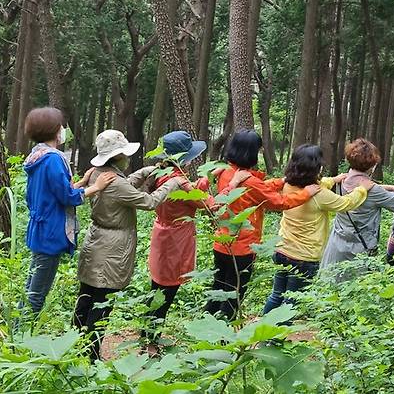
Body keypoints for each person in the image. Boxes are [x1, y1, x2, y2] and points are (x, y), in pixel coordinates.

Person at [73, 130, 188, 360]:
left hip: (95, 240)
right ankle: (91, 356)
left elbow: (124, 184)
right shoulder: (115, 183)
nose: (128, 158)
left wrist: (146, 171)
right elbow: (148, 201)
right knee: (102, 302)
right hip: (111, 249)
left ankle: (76, 344)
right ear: (117, 157)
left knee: (86, 295)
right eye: (124, 154)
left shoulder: (98, 173)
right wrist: (173, 183)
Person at [143, 131, 249, 350]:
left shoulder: (160, 173)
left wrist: (201, 183)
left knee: (157, 287)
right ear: (185, 157)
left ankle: (147, 334)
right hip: (176, 240)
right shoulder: (181, 182)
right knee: (167, 291)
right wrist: (231, 183)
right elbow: (213, 206)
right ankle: (151, 343)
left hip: (162, 233)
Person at [204, 130, 320, 320]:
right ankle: (225, 336)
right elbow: (278, 202)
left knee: (218, 288)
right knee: (234, 294)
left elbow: (259, 188)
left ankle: (207, 324)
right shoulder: (248, 180)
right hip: (242, 247)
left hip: (221, 242)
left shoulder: (227, 171)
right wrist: (306, 193)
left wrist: (282, 181)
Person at [22, 107, 116, 314]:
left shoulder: (37, 155)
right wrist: (96, 187)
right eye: (61, 126)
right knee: (37, 294)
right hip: (51, 232)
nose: (63, 130)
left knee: (31, 287)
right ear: (55, 130)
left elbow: (51, 191)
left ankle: (18, 331)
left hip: (39, 228)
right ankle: (20, 340)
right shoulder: (53, 158)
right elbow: (66, 197)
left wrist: (81, 182)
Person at [262, 145, 372, 315]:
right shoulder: (319, 195)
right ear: (316, 168)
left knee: (277, 295)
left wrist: (333, 180)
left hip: (281, 249)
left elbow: (317, 185)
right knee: (291, 303)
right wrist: (362, 189)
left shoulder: (288, 184)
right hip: (304, 257)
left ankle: (263, 333)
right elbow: (346, 203)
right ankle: (276, 339)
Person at [320, 138, 394, 272]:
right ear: (372, 166)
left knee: (332, 283)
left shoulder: (343, 179)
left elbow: (364, 188)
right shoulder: (373, 190)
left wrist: (389, 187)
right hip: (359, 247)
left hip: (337, 242)